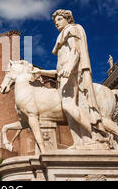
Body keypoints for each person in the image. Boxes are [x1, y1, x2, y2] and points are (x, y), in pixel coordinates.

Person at [33, 9, 102, 148]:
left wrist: (69, 68)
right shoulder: (63, 35)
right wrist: (41, 71)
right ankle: (78, 142)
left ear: (67, 19)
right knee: (68, 111)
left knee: (68, 105)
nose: (56, 23)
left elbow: (75, 51)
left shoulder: (70, 30)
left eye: (59, 19)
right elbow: (59, 71)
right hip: (64, 74)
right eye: (54, 21)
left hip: (71, 72)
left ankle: (96, 133)